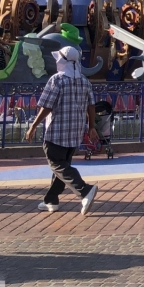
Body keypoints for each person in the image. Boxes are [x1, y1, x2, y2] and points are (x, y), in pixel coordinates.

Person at [25, 47, 99, 215]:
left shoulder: (56, 80)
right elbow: (91, 105)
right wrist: (92, 126)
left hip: (57, 130)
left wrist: (34, 125)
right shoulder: (84, 80)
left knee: (56, 164)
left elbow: (46, 106)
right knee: (62, 165)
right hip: (75, 131)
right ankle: (51, 200)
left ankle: (84, 189)